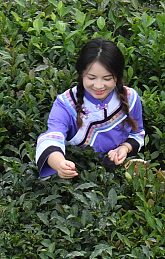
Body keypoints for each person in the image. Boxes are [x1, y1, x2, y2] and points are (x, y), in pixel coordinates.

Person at [35, 38, 146, 178]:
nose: (99, 86)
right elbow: (51, 138)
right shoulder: (66, 104)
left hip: (120, 175)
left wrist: (124, 148)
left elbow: (138, 134)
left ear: (117, 77)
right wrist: (60, 164)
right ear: (82, 74)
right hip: (81, 179)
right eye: (91, 78)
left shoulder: (130, 98)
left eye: (107, 78)